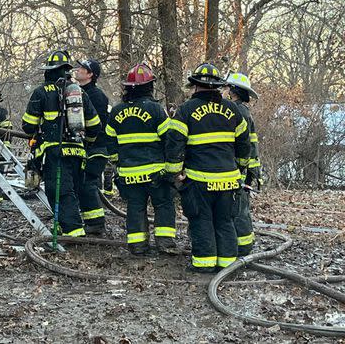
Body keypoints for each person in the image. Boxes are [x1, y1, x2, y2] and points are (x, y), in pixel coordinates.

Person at [165, 63, 251, 273]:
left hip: (199, 181)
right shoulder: (232, 110)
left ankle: (204, 264)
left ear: (195, 85)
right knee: (225, 221)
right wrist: (241, 168)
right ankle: (227, 265)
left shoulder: (186, 110)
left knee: (202, 220)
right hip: (229, 180)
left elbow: (175, 144)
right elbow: (244, 144)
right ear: (219, 87)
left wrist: (175, 174)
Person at [22, 50, 101, 237]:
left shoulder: (41, 92)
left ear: (48, 70)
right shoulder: (79, 92)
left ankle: (74, 233)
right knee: (73, 189)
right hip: (77, 152)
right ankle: (71, 228)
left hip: (54, 153)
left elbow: (28, 125)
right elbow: (95, 126)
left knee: (60, 192)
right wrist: (87, 144)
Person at [105, 64, 176, 255]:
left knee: (135, 207)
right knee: (163, 205)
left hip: (129, 173)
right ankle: (165, 244)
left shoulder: (117, 112)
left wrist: (118, 162)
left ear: (128, 87)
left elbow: (110, 142)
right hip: (156, 172)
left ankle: (137, 245)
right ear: (150, 86)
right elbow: (169, 139)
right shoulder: (156, 110)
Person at [224, 72, 261, 256]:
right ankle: (244, 243)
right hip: (247, 166)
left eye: (228, 89)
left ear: (234, 91)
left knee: (238, 207)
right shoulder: (245, 111)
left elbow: (243, 144)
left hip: (240, 167)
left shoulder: (237, 111)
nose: (226, 92)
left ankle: (244, 246)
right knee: (240, 205)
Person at [74, 59, 110, 235]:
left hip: (96, 148)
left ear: (90, 75)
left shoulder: (96, 96)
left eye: (83, 68)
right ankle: (89, 220)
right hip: (85, 147)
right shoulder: (78, 92)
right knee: (82, 183)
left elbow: (96, 124)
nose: (78, 70)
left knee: (88, 183)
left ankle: (96, 223)